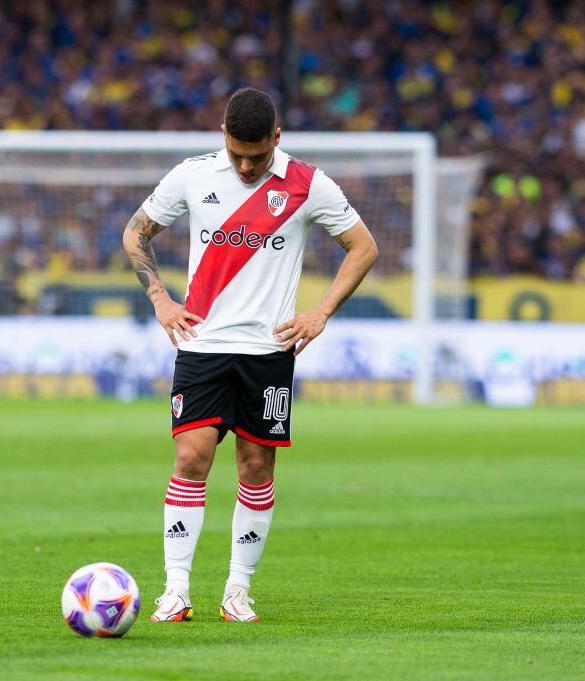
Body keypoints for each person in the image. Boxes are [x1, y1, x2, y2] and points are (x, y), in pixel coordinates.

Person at [122, 88, 378, 623]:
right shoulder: (192, 175)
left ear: (277, 140)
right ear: (223, 135)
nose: (244, 165)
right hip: (203, 346)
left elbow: (363, 246)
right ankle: (176, 589)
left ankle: (237, 590)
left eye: (257, 156)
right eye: (237, 152)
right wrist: (161, 299)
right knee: (191, 458)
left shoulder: (309, 184)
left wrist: (321, 311)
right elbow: (136, 232)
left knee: (256, 467)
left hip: (268, 351)